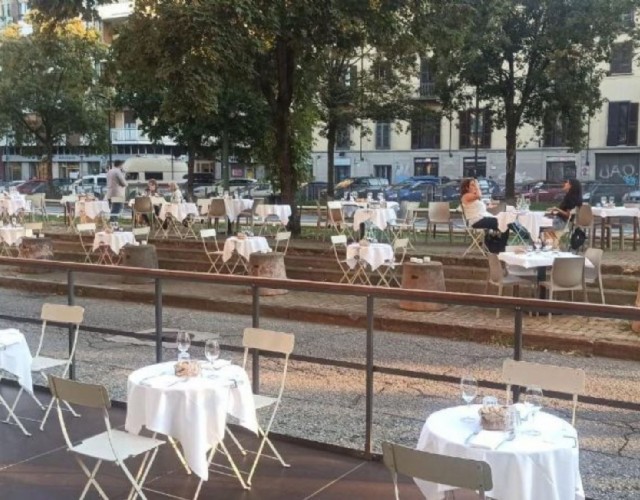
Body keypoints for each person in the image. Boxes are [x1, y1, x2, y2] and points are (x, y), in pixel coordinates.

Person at [460, 178, 509, 253]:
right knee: (504, 222)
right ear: (467, 187)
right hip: (476, 220)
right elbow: (479, 195)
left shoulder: (472, 197)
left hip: (481, 218)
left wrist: (488, 206)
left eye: (475, 184)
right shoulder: (466, 196)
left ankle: (500, 246)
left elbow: (476, 207)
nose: (475, 186)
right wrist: (477, 186)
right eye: (472, 185)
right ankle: (502, 247)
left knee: (505, 221)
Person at [544, 178, 583, 245]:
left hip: (561, 222)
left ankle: (549, 245)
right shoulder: (575, 197)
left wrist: (557, 209)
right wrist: (554, 213)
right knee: (543, 221)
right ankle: (550, 245)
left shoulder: (569, 198)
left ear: (571, 186)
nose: (564, 184)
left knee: (542, 228)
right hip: (562, 221)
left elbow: (568, 215)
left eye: (567, 182)